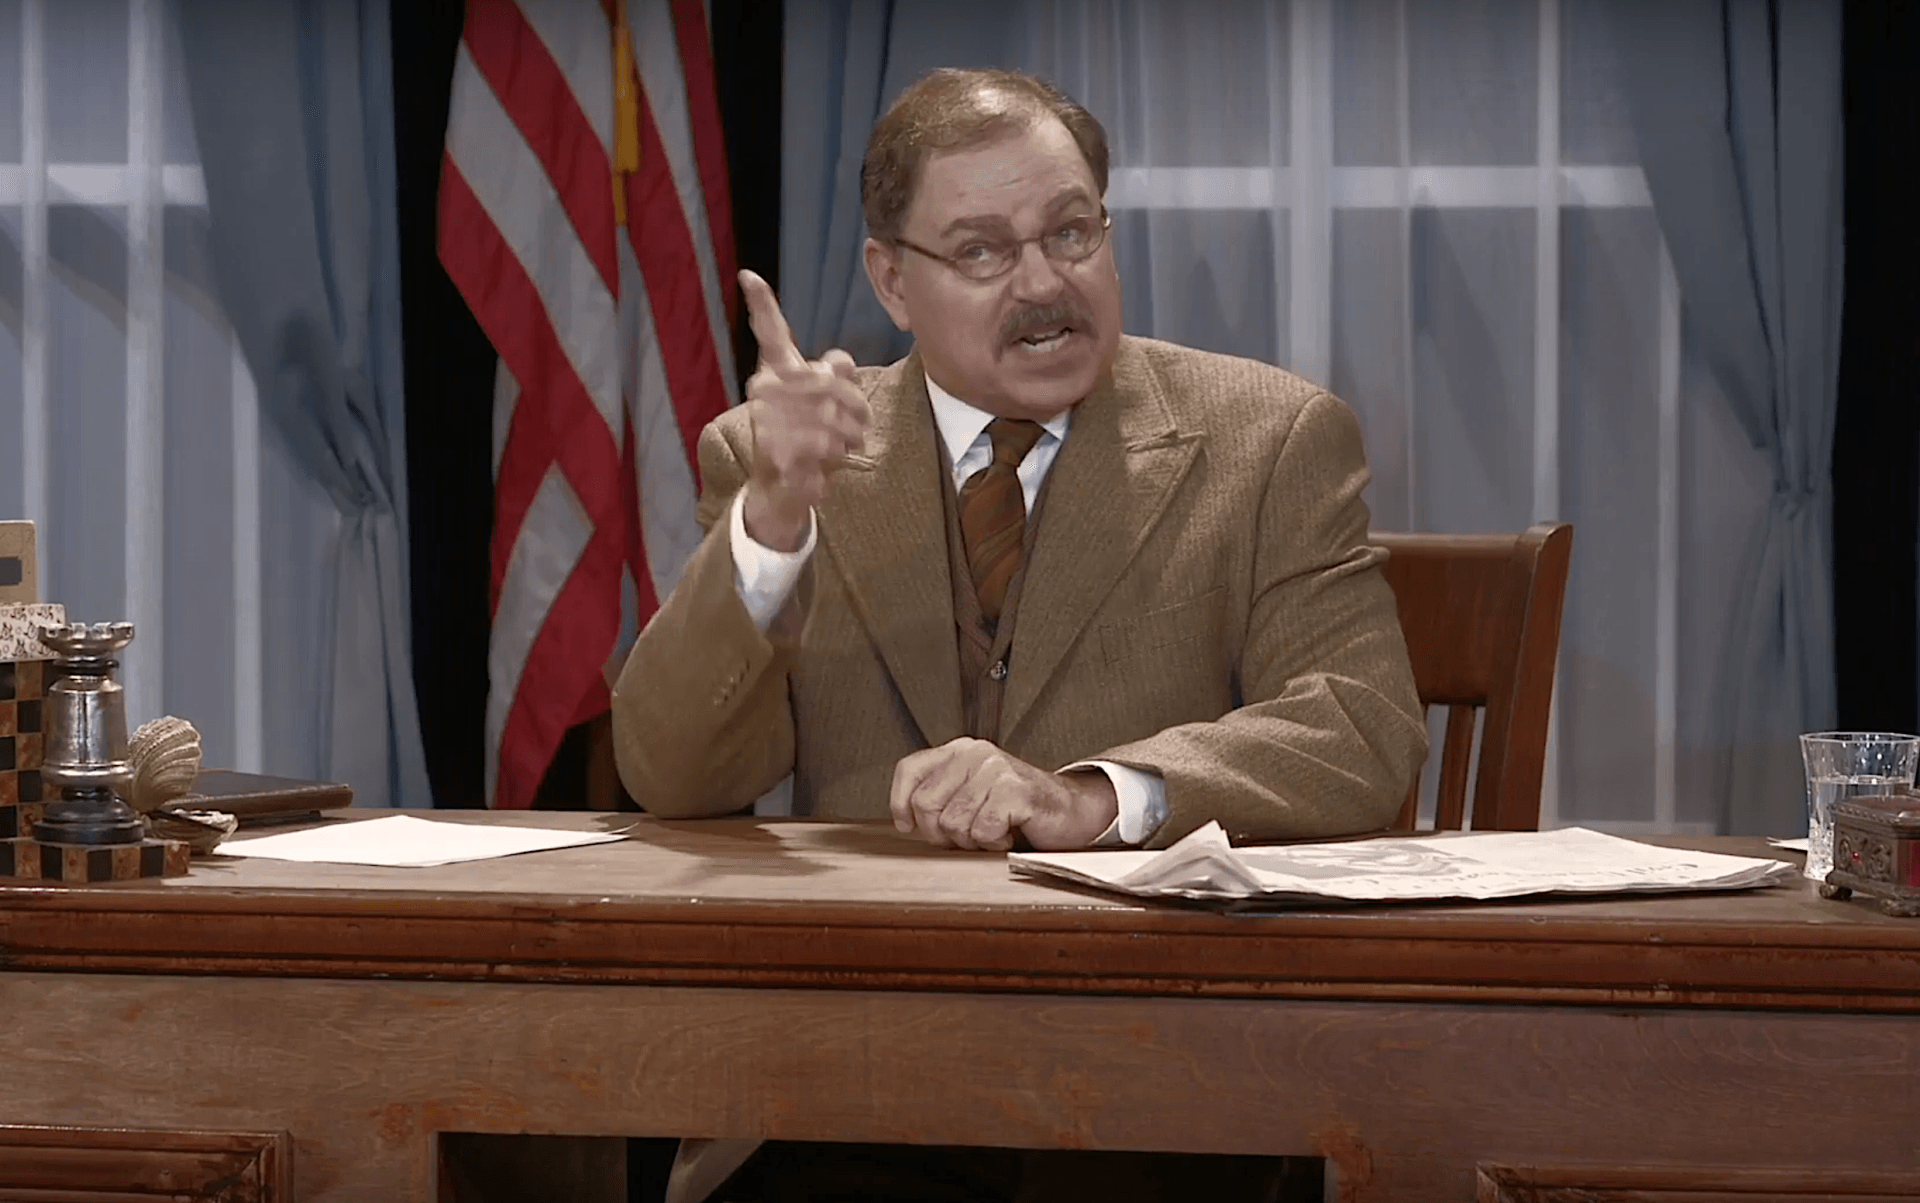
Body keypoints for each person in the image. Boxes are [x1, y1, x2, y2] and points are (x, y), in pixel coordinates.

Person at [611, 66, 1427, 1202]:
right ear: (891, 280)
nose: (1045, 284)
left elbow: (1359, 729)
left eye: (1071, 231)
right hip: (843, 1093)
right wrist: (775, 520)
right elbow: (673, 774)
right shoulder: (777, 452)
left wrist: (1091, 799)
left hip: (1165, 1093)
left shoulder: (1271, 440)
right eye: (984, 251)